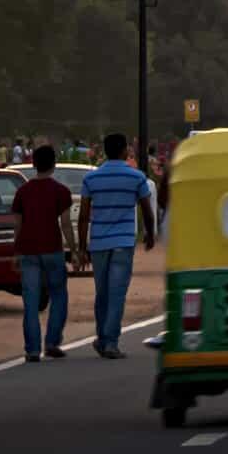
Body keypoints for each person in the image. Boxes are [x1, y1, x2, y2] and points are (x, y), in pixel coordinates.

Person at [77, 132, 157, 360]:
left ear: (105, 151)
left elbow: (83, 217)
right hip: (123, 241)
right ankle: (109, 342)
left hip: (99, 242)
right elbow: (147, 210)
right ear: (124, 151)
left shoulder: (91, 179)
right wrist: (150, 235)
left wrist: (82, 248)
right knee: (117, 293)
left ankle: (103, 338)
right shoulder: (137, 177)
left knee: (101, 293)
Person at [10, 144, 75, 362]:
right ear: (54, 164)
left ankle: (32, 349)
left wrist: (15, 252)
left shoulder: (22, 192)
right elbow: (65, 224)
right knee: (58, 296)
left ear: (33, 164)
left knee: (30, 300)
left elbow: (17, 226)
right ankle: (52, 341)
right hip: (53, 249)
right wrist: (74, 249)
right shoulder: (61, 191)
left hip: (28, 251)